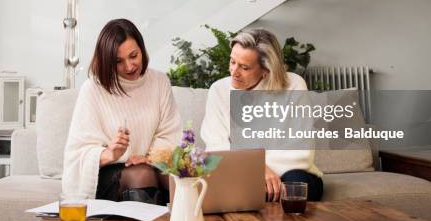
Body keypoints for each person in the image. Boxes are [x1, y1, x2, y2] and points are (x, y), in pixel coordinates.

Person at [62, 19, 181, 204]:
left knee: (179, 177)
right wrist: (111, 153)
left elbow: (169, 133)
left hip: (152, 164)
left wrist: (149, 158)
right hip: (108, 174)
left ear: (142, 49)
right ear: (107, 61)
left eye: (133, 56)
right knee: (142, 174)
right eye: (118, 61)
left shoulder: (159, 82)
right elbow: (78, 152)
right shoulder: (93, 89)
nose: (129, 66)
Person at [200, 28, 323, 201]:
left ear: (266, 70)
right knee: (236, 186)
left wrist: (265, 172)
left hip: (290, 172)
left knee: (295, 184)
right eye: (232, 61)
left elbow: (301, 151)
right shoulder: (218, 90)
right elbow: (216, 148)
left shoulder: (294, 85)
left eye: (244, 67)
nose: (234, 72)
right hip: (241, 172)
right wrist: (258, 169)